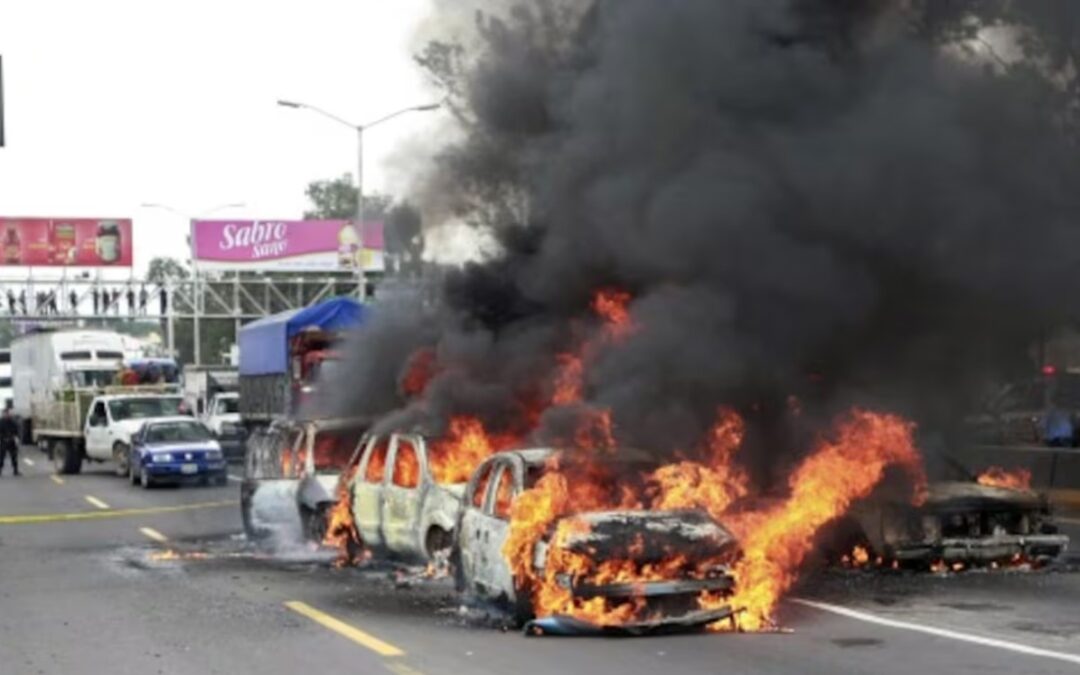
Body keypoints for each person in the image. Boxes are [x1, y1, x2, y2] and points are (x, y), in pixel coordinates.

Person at [0, 406, 20, 476]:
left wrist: (16, 438)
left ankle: (15, 470)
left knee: (14, 456)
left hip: (12, 441)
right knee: (1, 457)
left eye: (8, 413)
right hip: (3, 441)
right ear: (3, 414)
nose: (7, 414)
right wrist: (3, 438)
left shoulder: (12, 421)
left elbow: (16, 431)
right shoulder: (1, 422)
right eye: (5, 413)